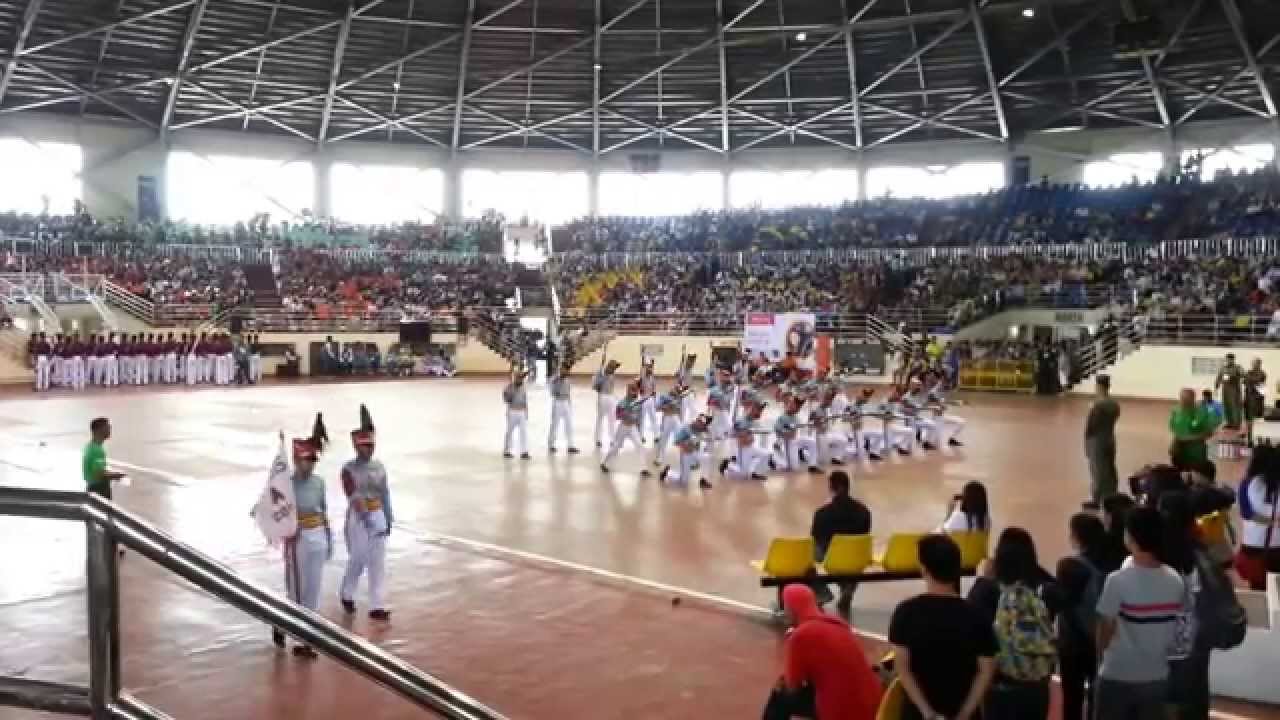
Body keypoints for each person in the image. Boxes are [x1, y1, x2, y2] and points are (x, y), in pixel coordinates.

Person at [888, 534, 997, 720]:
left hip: (917, 714)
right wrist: (964, 714)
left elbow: (903, 669)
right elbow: (986, 671)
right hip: (962, 709)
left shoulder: (906, 612)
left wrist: (926, 712)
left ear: (924, 569)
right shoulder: (977, 615)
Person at [1093, 506, 1187, 720]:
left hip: (1117, 674)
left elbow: (1104, 630)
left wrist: (1100, 659)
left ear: (1131, 537)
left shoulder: (1117, 581)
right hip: (1157, 675)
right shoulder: (1174, 579)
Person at [966, 528, 1059, 720]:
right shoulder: (1045, 587)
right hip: (1037, 684)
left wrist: (981, 577)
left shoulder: (987, 589)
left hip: (1001, 684)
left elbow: (972, 622)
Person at [761, 584, 882, 720]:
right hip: (873, 704)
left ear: (791, 609)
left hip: (842, 710)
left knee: (779, 696)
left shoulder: (800, 635)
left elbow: (792, 685)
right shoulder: (838, 623)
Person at [276, 426, 332, 659]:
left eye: (312, 460)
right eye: (304, 460)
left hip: (317, 535)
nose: (308, 465)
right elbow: (276, 510)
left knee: (314, 588)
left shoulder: (319, 483)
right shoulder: (285, 485)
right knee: (296, 590)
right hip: (297, 539)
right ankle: (287, 626)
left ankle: (307, 636)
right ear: (297, 461)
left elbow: (324, 509)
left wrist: (328, 537)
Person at [1157, 492, 1212, 720]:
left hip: (1165, 641)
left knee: (1169, 699)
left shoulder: (1159, 553)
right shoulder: (1199, 549)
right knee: (1195, 692)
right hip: (1194, 636)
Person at [339, 406, 392, 621]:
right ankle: (347, 592)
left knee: (377, 561)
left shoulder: (379, 467)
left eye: (371, 445)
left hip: (377, 512)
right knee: (358, 558)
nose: (369, 449)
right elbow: (352, 495)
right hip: (359, 518)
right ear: (356, 447)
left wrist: (388, 516)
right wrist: (366, 516)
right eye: (364, 446)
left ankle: (377, 605)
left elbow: (385, 492)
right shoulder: (348, 469)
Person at [1056, 513, 1110, 720]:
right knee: (1098, 698)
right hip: (1101, 640)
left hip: (1073, 644)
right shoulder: (1109, 565)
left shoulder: (1069, 566)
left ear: (1077, 537)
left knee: (1072, 700)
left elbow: (1064, 605)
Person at [809, 471, 871, 614]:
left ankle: (822, 591)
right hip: (856, 557)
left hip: (832, 557)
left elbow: (815, 538)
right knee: (854, 554)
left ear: (831, 487)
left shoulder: (822, 513)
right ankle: (847, 587)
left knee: (806, 556)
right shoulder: (864, 511)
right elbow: (865, 534)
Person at [1235, 445, 1280, 590]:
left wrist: (1271, 522)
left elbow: (1246, 513)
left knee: (1259, 587)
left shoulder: (1247, 483)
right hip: (1278, 545)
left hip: (1253, 543)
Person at [1084, 375, 1121, 506]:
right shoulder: (1114, 404)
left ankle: (1098, 498)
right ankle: (1112, 494)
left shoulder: (1098, 405)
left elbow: (1092, 425)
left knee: (1098, 469)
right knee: (1110, 468)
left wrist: (1087, 441)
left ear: (1098, 386)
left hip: (1097, 440)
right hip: (1109, 437)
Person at [1169, 387, 1219, 480]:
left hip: (1196, 453)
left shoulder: (1201, 412)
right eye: (1182, 399)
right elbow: (1173, 428)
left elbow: (1209, 433)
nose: (1183, 402)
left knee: (1198, 478)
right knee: (1180, 477)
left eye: (1187, 400)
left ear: (1193, 399)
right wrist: (1175, 443)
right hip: (1179, 452)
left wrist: (1187, 439)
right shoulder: (1175, 411)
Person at [602, 380, 649, 476]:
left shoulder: (638, 402)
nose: (635, 392)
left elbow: (638, 417)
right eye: (632, 390)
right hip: (623, 427)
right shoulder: (622, 402)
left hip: (633, 428)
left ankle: (644, 468)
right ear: (628, 391)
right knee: (616, 447)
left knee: (639, 445)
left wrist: (638, 427)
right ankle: (604, 463)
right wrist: (625, 412)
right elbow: (617, 416)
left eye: (636, 390)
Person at [84, 417, 125, 500]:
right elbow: (99, 473)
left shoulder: (90, 446)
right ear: (99, 430)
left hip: (92, 487)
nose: (110, 429)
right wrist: (116, 475)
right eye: (107, 427)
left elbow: (96, 471)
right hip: (99, 489)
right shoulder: (97, 450)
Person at [547, 362, 579, 454]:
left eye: (568, 369)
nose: (567, 371)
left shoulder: (567, 380)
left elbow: (568, 393)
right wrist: (559, 378)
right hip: (557, 402)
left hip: (566, 402)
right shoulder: (555, 379)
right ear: (561, 369)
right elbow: (552, 391)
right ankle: (551, 444)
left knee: (569, 425)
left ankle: (571, 445)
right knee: (555, 424)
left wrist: (569, 404)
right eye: (565, 368)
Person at [1098, 493, 1135, 572]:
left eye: (1102, 511)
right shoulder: (1137, 536)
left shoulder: (1103, 542)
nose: (1100, 516)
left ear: (1109, 515)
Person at [502, 368, 532, 460]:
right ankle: (507, 450)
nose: (521, 380)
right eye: (519, 378)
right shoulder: (509, 387)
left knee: (524, 432)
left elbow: (525, 399)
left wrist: (526, 412)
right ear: (515, 378)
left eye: (522, 378)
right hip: (513, 411)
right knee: (510, 432)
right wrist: (511, 389)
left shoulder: (523, 387)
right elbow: (506, 399)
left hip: (522, 412)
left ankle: (524, 451)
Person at [592, 359, 620, 449]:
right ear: (609, 366)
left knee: (612, 419)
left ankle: (612, 439)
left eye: (615, 367)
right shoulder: (600, 374)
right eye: (614, 367)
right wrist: (602, 376)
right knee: (600, 418)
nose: (615, 369)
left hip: (611, 397)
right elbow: (595, 386)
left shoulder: (613, 375)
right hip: (602, 396)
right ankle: (598, 439)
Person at [1214, 353, 1244, 429]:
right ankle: (1229, 422)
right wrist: (1216, 387)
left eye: (1230, 359)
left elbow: (1243, 375)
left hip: (1234, 389)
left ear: (1233, 359)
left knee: (1235, 407)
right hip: (1225, 389)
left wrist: (1234, 376)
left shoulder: (1238, 367)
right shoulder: (1223, 368)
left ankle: (1237, 424)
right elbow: (1219, 377)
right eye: (1227, 359)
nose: (1229, 361)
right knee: (1227, 406)